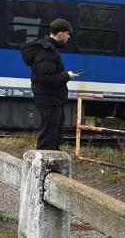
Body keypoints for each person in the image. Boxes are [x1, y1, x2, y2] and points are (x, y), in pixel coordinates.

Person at [21, 19, 80, 150]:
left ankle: (52, 164)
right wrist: (67, 75)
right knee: (48, 137)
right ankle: (43, 164)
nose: (69, 37)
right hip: (49, 99)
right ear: (60, 33)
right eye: (67, 34)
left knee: (54, 134)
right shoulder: (47, 52)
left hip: (53, 98)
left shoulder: (49, 49)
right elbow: (46, 78)